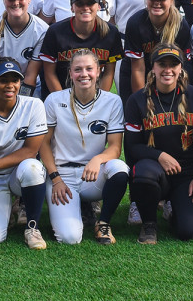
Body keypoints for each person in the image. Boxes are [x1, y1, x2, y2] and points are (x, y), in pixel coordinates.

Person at [41, 50, 129, 245]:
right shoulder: (54, 100)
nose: (84, 74)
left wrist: (97, 159)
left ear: (99, 71)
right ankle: (78, 207)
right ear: (70, 73)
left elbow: (115, 148)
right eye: (77, 69)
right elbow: (44, 144)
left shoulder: (113, 101)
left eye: (89, 69)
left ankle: (103, 222)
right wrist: (55, 179)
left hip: (92, 173)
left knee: (120, 169)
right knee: (69, 238)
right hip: (61, 175)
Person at [124, 44, 193, 244]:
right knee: (144, 172)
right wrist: (160, 156)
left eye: (173, 64)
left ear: (181, 68)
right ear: (152, 67)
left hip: (186, 173)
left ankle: (176, 211)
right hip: (153, 170)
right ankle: (149, 223)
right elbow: (131, 148)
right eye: (162, 64)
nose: (167, 70)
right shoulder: (137, 100)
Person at [0, 59, 50, 249]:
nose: (10, 85)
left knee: (33, 167)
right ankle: (5, 210)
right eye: (3, 80)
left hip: (20, 173)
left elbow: (31, 150)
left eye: (15, 80)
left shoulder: (34, 105)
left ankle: (32, 227)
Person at [37, 0, 123, 93]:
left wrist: (100, 100)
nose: (85, 7)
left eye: (90, 3)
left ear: (99, 7)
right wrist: (61, 101)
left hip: (93, 94)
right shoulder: (55, 32)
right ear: (72, 7)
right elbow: (50, 73)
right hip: (60, 92)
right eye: (80, 3)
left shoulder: (110, 33)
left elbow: (109, 73)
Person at [120, 0, 191, 103]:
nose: (157, 2)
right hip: (137, 73)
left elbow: (182, 67)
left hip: (168, 73)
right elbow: (137, 68)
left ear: (172, 1)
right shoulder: (136, 23)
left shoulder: (181, 25)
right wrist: (140, 103)